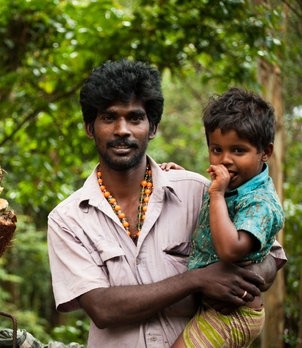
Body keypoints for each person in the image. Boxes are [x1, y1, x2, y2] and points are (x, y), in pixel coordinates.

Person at [46, 59, 286, 348]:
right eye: (109, 118)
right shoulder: (67, 219)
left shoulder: (201, 192)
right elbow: (102, 308)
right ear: (89, 128)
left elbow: (270, 254)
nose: (122, 130)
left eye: (135, 118)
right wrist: (197, 280)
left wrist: (244, 282)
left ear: (153, 128)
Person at [167, 88, 285, 348]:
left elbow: (231, 250)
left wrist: (217, 193)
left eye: (238, 151)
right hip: (213, 306)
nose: (225, 160)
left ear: (265, 152)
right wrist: (178, 175)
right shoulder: (234, 187)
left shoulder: (260, 202)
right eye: (216, 149)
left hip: (235, 315)